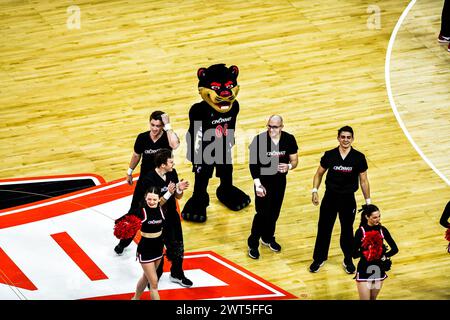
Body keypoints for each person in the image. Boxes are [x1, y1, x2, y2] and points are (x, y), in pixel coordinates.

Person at [114, 111, 180, 255]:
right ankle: (123, 243)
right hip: (145, 183)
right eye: (152, 125)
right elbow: (137, 155)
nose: (155, 128)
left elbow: (174, 145)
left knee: (165, 215)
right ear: (149, 122)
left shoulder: (167, 137)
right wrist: (130, 171)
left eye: (158, 126)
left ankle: (171, 251)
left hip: (162, 181)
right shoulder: (142, 137)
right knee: (135, 213)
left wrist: (168, 125)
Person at [309, 126, 371, 274]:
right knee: (324, 228)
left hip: (348, 199)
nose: (345, 140)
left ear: (352, 139)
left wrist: (368, 202)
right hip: (330, 197)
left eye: (348, 137)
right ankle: (319, 258)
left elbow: (364, 180)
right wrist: (314, 190)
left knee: (347, 231)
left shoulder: (358, 157)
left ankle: (348, 259)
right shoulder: (330, 155)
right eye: (342, 137)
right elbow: (319, 174)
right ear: (338, 138)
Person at [247, 115, 298, 259]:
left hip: (279, 182)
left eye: (275, 127)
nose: (271, 129)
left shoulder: (289, 139)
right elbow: (253, 164)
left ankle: (268, 237)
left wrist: (288, 166)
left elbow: (294, 160)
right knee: (262, 213)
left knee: (274, 212)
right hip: (262, 182)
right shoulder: (259, 140)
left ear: (282, 127)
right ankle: (253, 243)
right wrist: (257, 185)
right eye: (269, 126)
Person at [139, 148, 192, 287]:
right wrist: (169, 192)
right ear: (163, 164)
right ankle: (155, 275)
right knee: (158, 247)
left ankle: (177, 273)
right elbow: (154, 204)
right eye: (171, 162)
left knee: (178, 245)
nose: (173, 164)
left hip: (172, 216)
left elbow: (178, 197)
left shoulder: (172, 173)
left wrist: (179, 189)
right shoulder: (149, 179)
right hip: (156, 218)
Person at [352, 204, 398, 300]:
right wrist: (366, 253)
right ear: (367, 217)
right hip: (364, 269)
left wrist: (383, 256)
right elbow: (354, 253)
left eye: (379, 216)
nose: (378, 219)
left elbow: (395, 249)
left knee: (373, 299)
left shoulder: (382, 230)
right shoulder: (361, 232)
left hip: (377, 269)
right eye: (374, 217)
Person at [132, 186, 165, 300]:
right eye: (149, 199)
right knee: (154, 283)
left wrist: (177, 190)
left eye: (154, 199)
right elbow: (129, 220)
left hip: (158, 248)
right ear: (145, 198)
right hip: (146, 250)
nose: (151, 202)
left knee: (146, 277)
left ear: (159, 199)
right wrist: (124, 224)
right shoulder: (141, 212)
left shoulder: (161, 209)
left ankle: (136, 298)